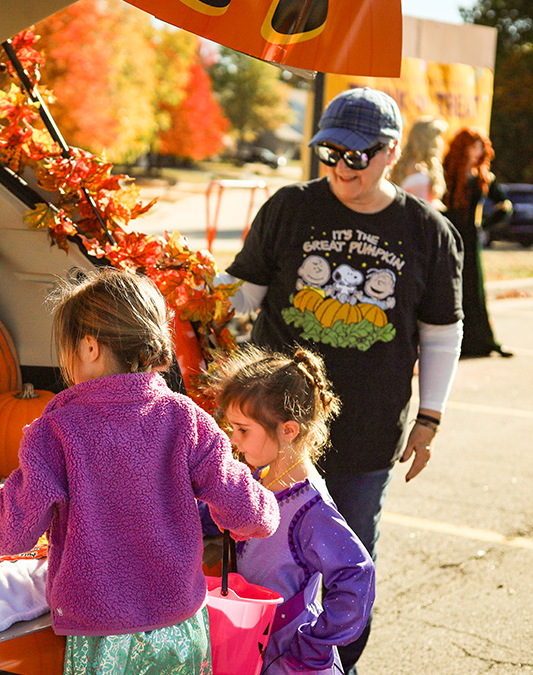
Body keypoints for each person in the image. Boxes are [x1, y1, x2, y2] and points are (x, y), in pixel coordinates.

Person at [215, 87, 464, 674]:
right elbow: (239, 294)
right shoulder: (290, 207)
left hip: (366, 431)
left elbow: (440, 334)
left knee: (347, 558)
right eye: (329, 154)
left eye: (356, 157)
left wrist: (429, 419)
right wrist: (178, 303)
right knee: (258, 554)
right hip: (269, 432)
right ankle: (254, 658)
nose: (340, 169)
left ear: (391, 153)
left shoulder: (427, 230)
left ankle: (333, 664)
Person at [0, 267, 280, 675]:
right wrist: (265, 502)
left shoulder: (58, 427)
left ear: (88, 347)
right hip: (180, 625)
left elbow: (10, 535)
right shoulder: (184, 418)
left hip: (101, 635)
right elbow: (250, 516)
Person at [203, 344, 374, 675]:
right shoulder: (261, 474)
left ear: (288, 430)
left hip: (288, 657)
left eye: (243, 430)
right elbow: (217, 514)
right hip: (248, 642)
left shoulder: (312, 510)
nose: (233, 439)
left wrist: (314, 646)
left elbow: (357, 574)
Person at [442, 127, 514, 358]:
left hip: (471, 240)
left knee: (474, 288)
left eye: (481, 147)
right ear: (463, 147)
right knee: (451, 288)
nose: (477, 152)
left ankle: (482, 340)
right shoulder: (447, 174)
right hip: (448, 236)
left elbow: (505, 206)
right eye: (474, 146)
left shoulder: (483, 177)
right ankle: (455, 340)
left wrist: (484, 224)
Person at [390, 115, 449, 209]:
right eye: (436, 137)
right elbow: (420, 207)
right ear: (425, 140)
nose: (440, 141)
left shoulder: (426, 165)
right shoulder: (416, 169)